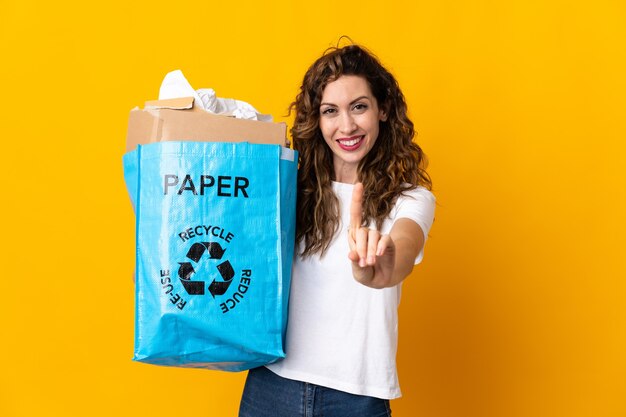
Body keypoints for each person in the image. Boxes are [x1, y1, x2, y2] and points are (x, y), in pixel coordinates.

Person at [238, 43, 436, 417]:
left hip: (356, 398)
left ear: (383, 109)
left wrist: (384, 263)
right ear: (317, 119)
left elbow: (404, 246)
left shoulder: (410, 199)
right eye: (331, 111)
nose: (346, 126)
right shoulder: (286, 189)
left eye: (359, 106)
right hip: (270, 386)